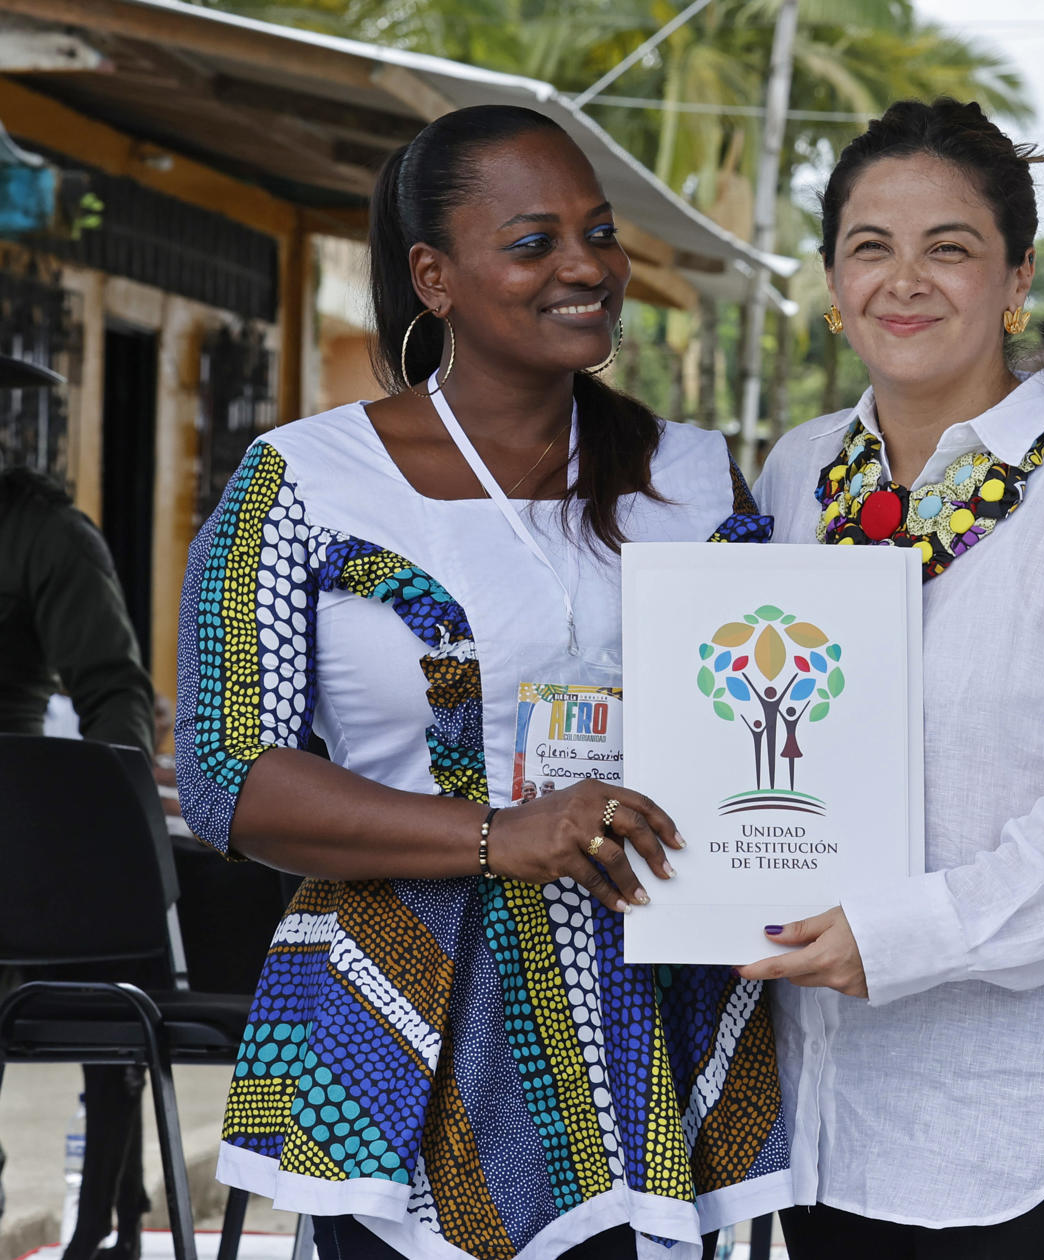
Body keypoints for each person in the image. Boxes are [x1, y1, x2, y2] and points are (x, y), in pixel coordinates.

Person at [174, 105, 789, 1260]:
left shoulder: (694, 476)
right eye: (533, 242)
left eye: (600, 235)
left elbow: (779, 710)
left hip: (652, 1022)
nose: (586, 268)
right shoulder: (303, 483)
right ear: (433, 277)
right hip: (403, 1032)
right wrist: (501, 833)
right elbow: (226, 779)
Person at [742, 98, 1044, 1259]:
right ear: (830, 278)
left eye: (947, 248)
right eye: (871, 246)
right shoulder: (797, 475)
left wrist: (902, 933)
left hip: (1036, 1116)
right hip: (828, 1115)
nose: (904, 280)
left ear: (1016, 280)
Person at [0, 359, 159, 1259]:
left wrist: (106, 842)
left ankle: (108, 1214)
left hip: (10, 825)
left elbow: (113, 698)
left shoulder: (42, 533)